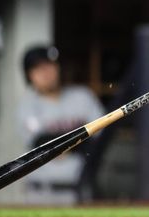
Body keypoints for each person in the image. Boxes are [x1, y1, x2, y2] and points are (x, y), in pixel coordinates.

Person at [16, 45, 104, 200]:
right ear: (29, 75)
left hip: (81, 190)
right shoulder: (27, 105)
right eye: (38, 68)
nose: (46, 73)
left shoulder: (82, 97)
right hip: (41, 192)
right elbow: (43, 143)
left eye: (49, 65)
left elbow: (100, 138)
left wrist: (65, 143)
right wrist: (81, 139)